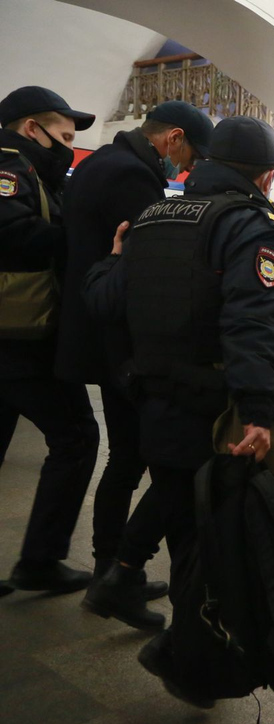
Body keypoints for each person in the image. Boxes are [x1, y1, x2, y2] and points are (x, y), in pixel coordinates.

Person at [83, 116, 274, 704]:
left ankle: (159, 619)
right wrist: (259, 411)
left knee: (184, 521)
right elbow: (255, 323)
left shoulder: (153, 217)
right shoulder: (247, 225)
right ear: (260, 174)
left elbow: (104, 302)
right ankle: (188, 658)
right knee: (212, 538)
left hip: (154, 403)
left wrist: (112, 258)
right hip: (213, 406)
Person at [58, 99, 212, 625]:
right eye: (189, 152)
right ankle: (114, 573)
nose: (186, 165)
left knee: (127, 457)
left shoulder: (101, 161)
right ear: (172, 138)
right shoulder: (132, 178)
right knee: (131, 459)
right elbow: (145, 267)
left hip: (93, 331)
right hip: (120, 343)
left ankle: (118, 570)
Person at [0, 86, 101, 593]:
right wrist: (83, 237)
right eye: (62, 136)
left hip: (16, 332)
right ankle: (40, 560)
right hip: (19, 336)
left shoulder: (32, 172)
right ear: (30, 128)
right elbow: (12, 230)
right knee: (78, 438)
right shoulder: (7, 169)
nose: (68, 148)